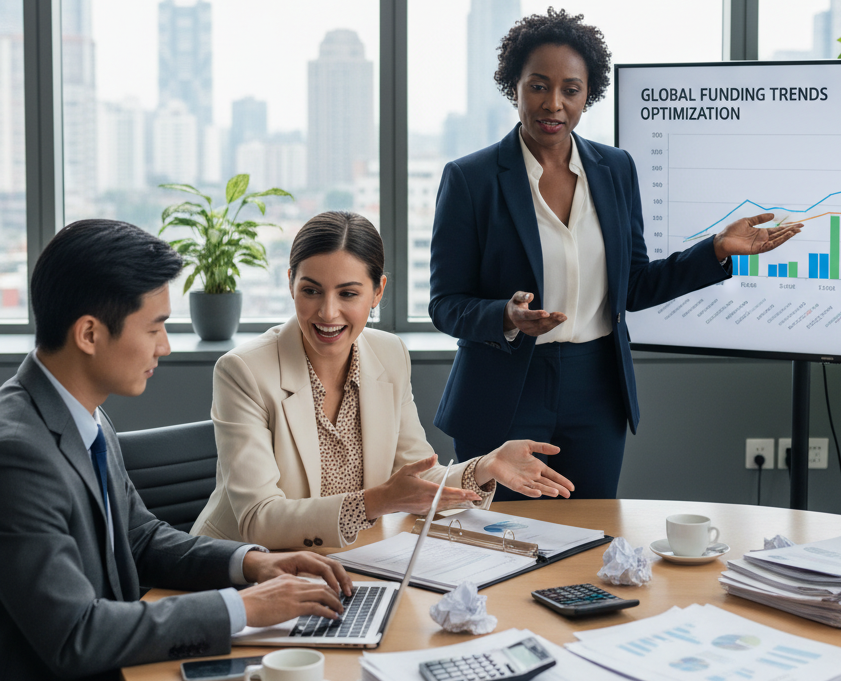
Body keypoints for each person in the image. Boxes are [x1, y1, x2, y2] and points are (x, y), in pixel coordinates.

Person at [0, 220, 355, 681]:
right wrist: (244, 609)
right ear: (90, 333)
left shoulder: (83, 414)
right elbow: (76, 635)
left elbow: (139, 539)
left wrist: (252, 563)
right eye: (156, 327)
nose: (165, 346)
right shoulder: (18, 453)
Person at [429, 8, 802, 499]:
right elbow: (445, 303)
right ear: (513, 87)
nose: (554, 104)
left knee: (592, 537)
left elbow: (635, 284)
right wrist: (506, 316)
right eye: (538, 86)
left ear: (589, 94)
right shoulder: (470, 179)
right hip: (503, 389)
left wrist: (714, 250)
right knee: (503, 543)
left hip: (596, 388)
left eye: (571, 90)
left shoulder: (616, 169)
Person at [192, 211, 572, 550]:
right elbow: (259, 519)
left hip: (345, 562)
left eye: (348, 293)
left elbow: (419, 476)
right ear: (290, 283)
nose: (327, 312)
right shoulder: (243, 371)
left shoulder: (389, 355)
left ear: (377, 292)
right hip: (241, 571)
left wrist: (485, 466)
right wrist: (378, 502)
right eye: (310, 290)